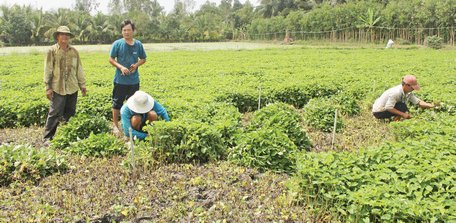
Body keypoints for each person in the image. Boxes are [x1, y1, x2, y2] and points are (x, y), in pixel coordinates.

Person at [43, 26, 87, 141]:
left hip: (72, 87)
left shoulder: (74, 52)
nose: (65, 37)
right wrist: (48, 87)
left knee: (70, 112)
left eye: (67, 35)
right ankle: (48, 138)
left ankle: (67, 135)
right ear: (57, 36)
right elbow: (48, 69)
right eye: (62, 34)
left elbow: (79, 68)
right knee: (54, 113)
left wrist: (82, 85)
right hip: (58, 87)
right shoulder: (52, 51)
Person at [109, 20, 147, 134]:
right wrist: (121, 67)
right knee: (117, 103)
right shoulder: (117, 44)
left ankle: (131, 125)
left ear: (133, 31)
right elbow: (111, 59)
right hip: (120, 80)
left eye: (128, 30)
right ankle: (115, 125)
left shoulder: (138, 44)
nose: (126, 32)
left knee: (134, 104)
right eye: (124, 30)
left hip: (134, 81)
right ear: (122, 31)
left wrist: (135, 65)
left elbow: (143, 59)